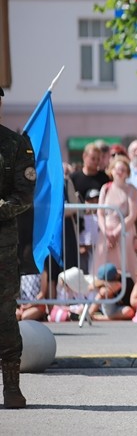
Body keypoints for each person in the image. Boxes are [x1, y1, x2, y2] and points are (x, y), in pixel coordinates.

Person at [0, 86, 36, 409]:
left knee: (3, 316)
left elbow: (23, 197)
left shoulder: (14, 146)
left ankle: (11, 385)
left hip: (2, 246)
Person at [94, 156, 137, 277]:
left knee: (126, 266)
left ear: (127, 173)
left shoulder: (132, 190)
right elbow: (100, 212)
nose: (119, 172)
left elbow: (132, 214)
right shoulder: (105, 188)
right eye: (117, 169)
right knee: (102, 266)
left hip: (125, 231)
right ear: (112, 170)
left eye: (123, 170)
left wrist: (117, 231)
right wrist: (106, 232)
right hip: (105, 232)